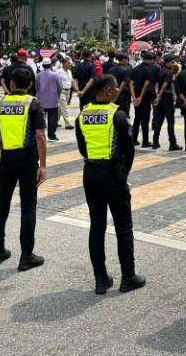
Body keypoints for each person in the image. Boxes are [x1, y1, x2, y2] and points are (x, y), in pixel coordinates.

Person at [76, 74, 145, 294]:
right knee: (123, 226)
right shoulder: (117, 114)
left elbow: (82, 147)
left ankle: (100, 279)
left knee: (97, 226)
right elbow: (129, 149)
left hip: (90, 173)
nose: (117, 90)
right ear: (107, 90)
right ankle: (128, 277)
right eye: (115, 88)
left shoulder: (82, 114)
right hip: (113, 174)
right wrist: (123, 173)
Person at [0, 66, 46, 270]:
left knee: (2, 203)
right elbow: (40, 135)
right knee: (28, 206)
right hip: (27, 159)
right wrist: (43, 164)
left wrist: (3, 147)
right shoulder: (33, 104)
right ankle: (26, 256)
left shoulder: (0, 104)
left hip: (7, 158)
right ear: (30, 84)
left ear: (11, 84)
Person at [151, 54, 179, 150]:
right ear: (167, 63)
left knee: (159, 120)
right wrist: (158, 97)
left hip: (161, 98)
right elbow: (164, 85)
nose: (173, 64)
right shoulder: (168, 73)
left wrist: (157, 96)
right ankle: (172, 143)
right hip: (166, 98)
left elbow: (157, 85)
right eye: (172, 62)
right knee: (170, 122)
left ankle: (155, 141)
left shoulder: (160, 71)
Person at [130, 52, 156, 146]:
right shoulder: (148, 69)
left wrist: (134, 97)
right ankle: (145, 141)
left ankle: (134, 139)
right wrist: (140, 97)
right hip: (144, 97)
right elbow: (146, 84)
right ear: (150, 59)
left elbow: (131, 83)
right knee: (145, 119)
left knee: (137, 118)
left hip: (136, 96)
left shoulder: (136, 68)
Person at [36, 58, 61, 142]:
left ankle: (40, 133)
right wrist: (57, 96)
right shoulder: (54, 75)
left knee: (40, 118)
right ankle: (51, 135)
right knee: (52, 118)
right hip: (53, 100)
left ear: (42, 66)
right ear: (50, 65)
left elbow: (36, 87)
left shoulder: (38, 75)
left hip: (41, 100)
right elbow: (59, 87)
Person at [108, 53, 133, 118]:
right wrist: (117, 95)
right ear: (123, 60)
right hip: (123, 95)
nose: (128, 61)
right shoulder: (127, 69)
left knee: (114, 111)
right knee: (124, 112)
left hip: (113, 93)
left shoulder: (111, 69)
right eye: (127, 59)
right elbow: (123, 84)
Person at [56, 56, 75, 129]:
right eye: (68, 63)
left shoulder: (69, 71)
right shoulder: (59, 72)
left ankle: (55, 122)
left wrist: (76, 90)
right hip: (61, 91)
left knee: (60, 109)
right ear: (64, 63)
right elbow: (55, 82)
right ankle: (67, 124)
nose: (70, 65)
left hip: (68, 91)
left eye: (70, 63)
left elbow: (72, 81)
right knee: (64, 107)